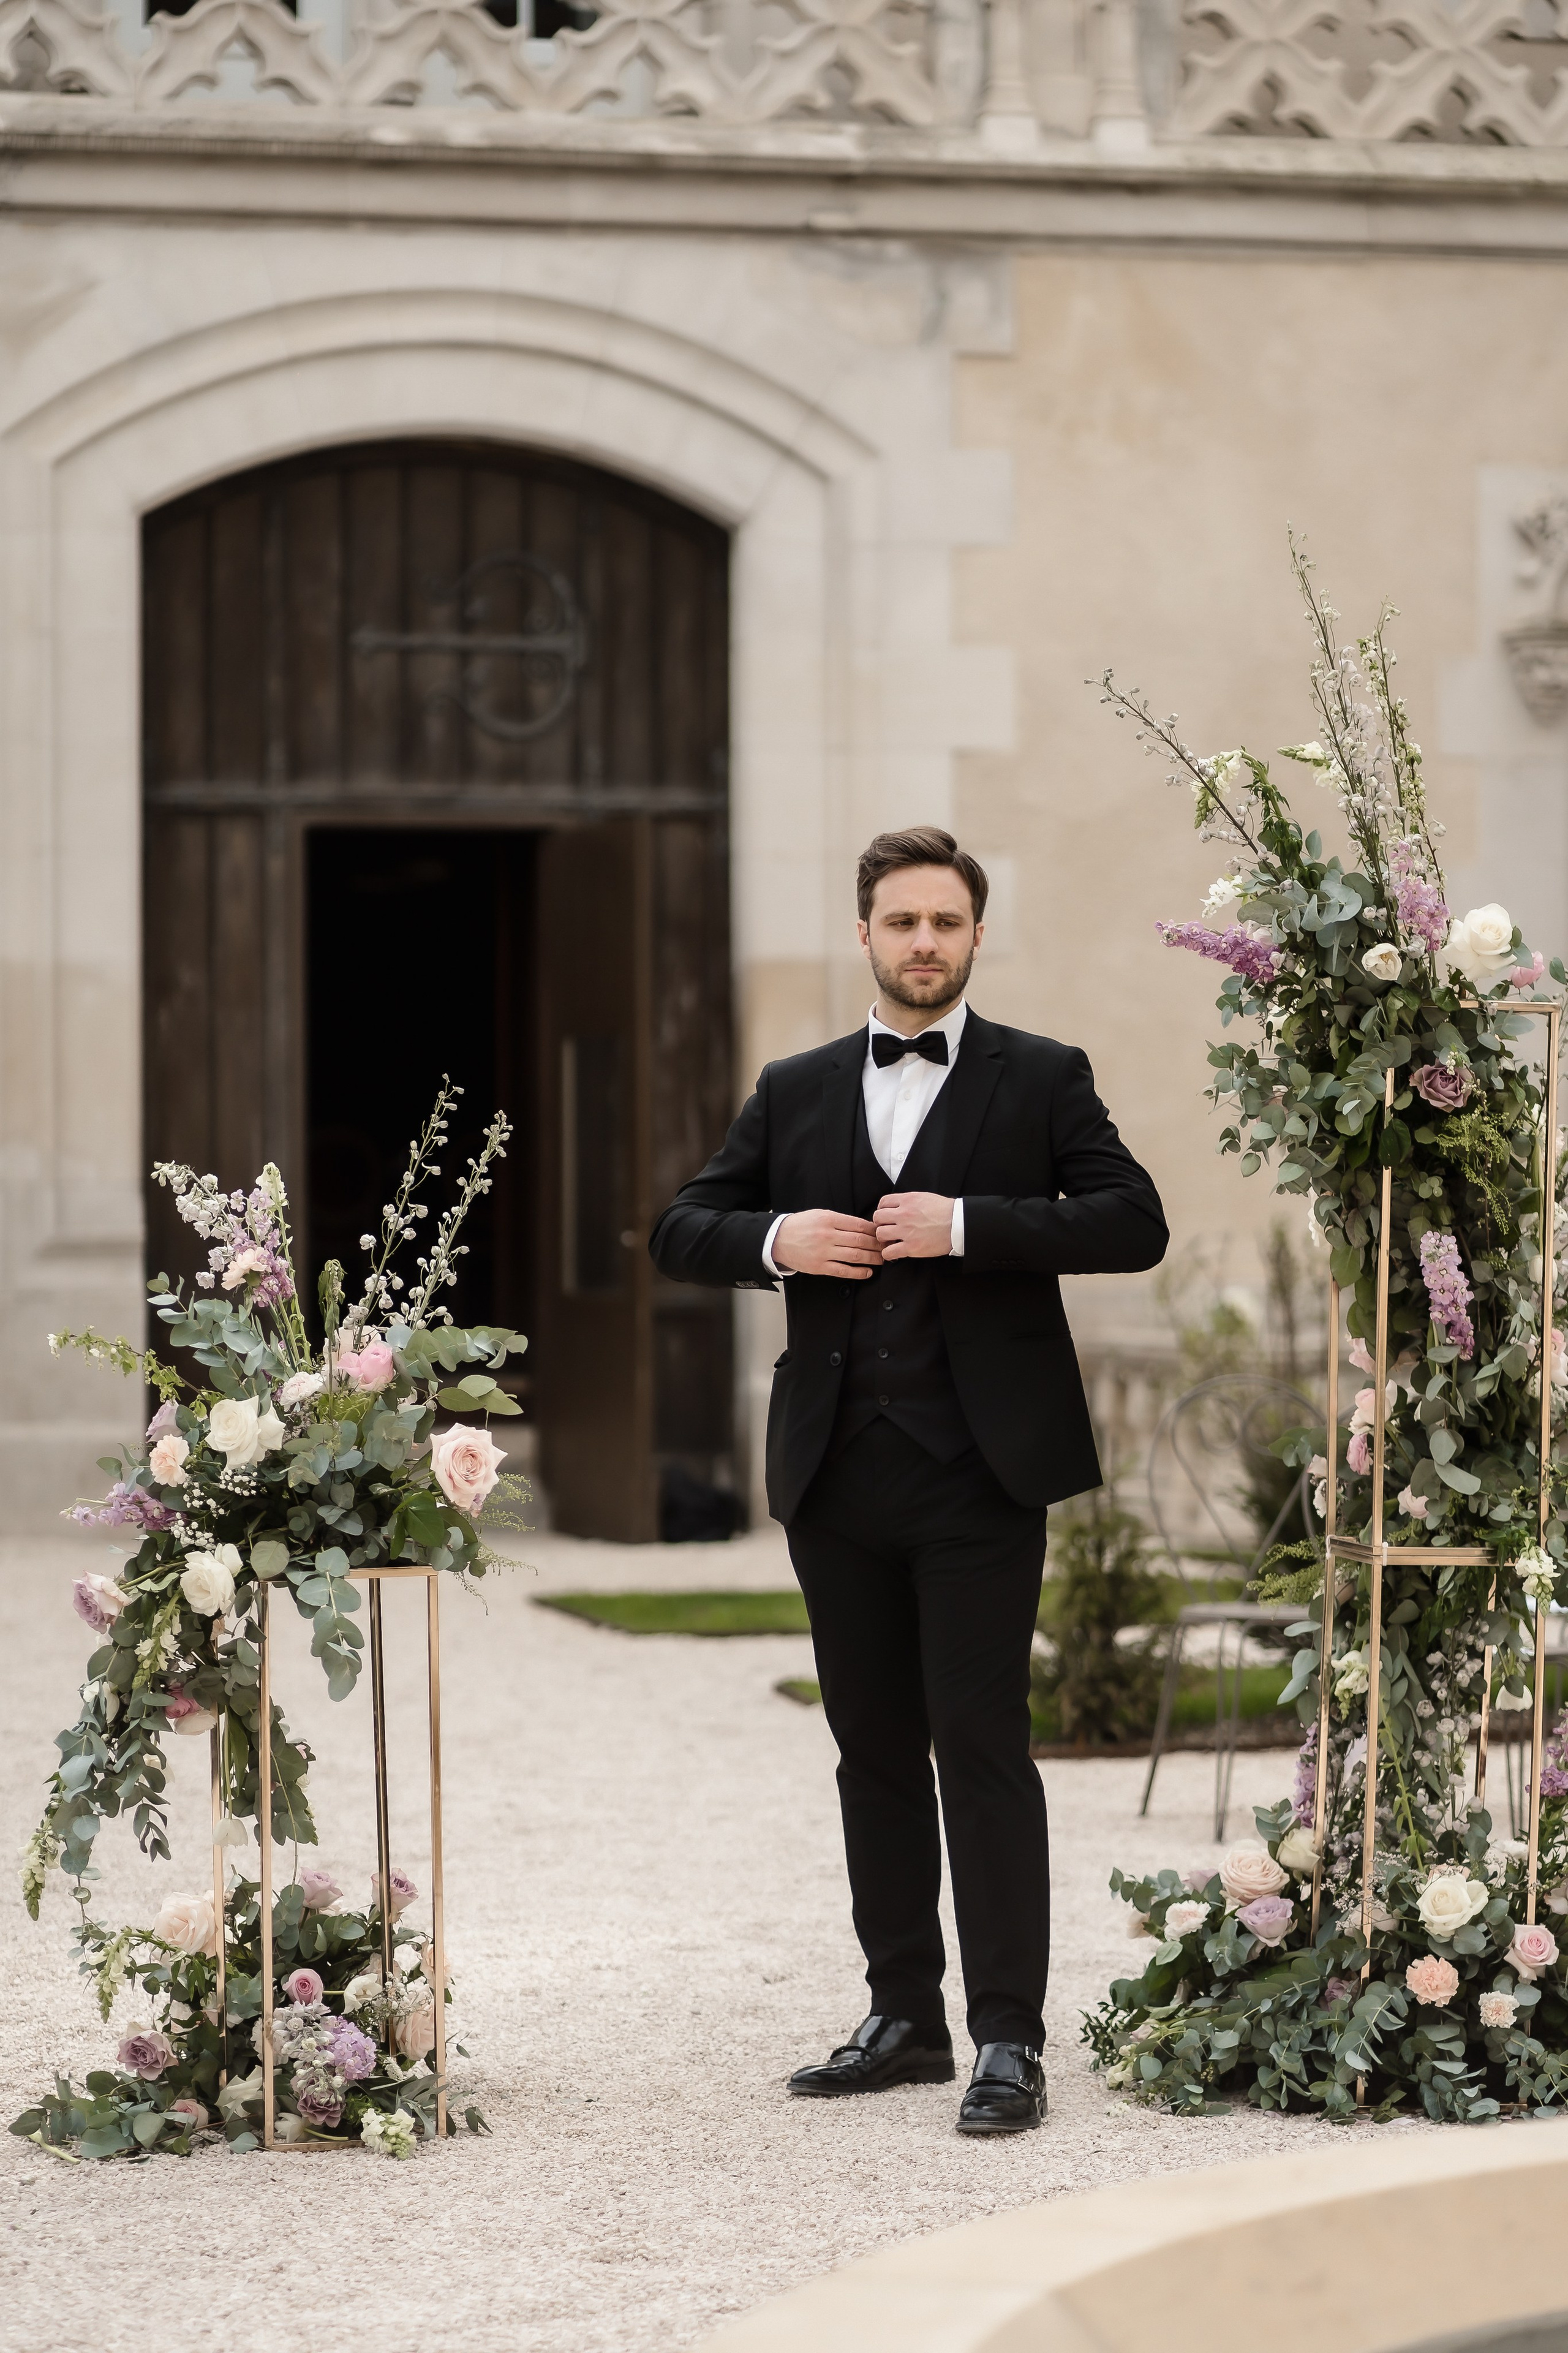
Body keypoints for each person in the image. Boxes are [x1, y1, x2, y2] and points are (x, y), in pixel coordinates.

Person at [648, 826, 1167, 2134]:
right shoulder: (796, 1085)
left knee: (981, 1749)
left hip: (980, 1475)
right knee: (871, 1753)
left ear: (975, 934)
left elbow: (1133, 1221)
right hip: (835, 1474)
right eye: (901, 921)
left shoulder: (1041, 1075)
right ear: (864, 935)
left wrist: (967, 1225)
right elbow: (680, 1227)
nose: (922, 942)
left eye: (944, 921)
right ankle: (904, 2018)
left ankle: (1008, 2038)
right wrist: (778, 1238)